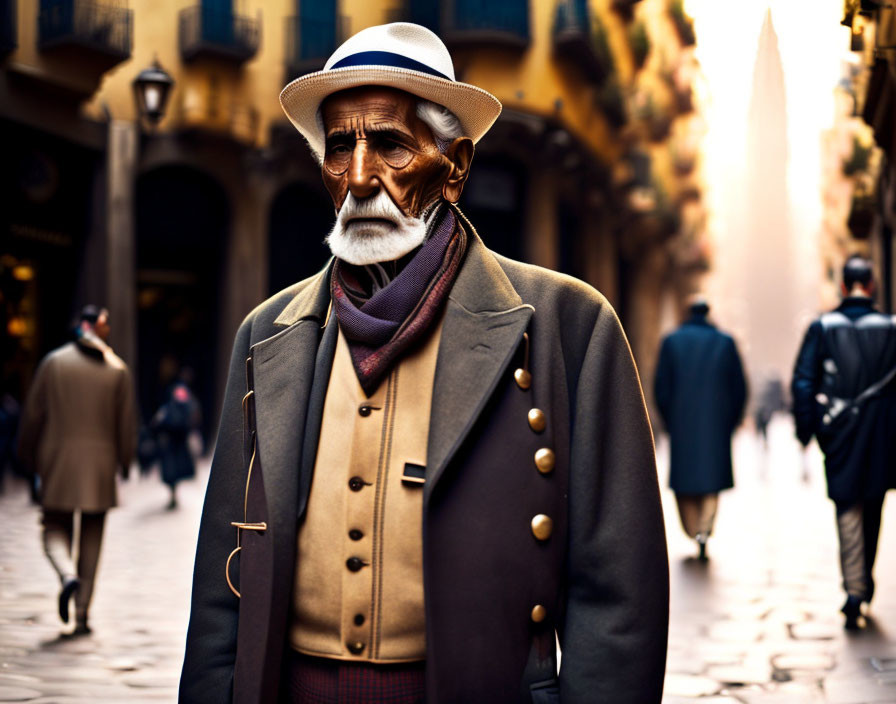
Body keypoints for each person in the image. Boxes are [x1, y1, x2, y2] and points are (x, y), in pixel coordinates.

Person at [180, 23, 668, 703]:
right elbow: (218, 602)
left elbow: (620, 599)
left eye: (389, 145)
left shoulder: (571, 328)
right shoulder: (267, 333)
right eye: (338, 148)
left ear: (457, 165)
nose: (357, 178)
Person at [17, 305, 137, 635]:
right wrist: (126, 462)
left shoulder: (53, 363)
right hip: (99, 468)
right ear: (93, 326)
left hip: (57, 462)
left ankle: (66, 573)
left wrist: (26, 457)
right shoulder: (118, 370)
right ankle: (82, 612)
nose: (109, 328)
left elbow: (32, 417)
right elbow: (126, 426)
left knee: (53, 525)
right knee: (92, 537)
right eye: (105, 322)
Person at [791, 255, 896, 630]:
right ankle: (861, 583)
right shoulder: (891, 327)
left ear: (842, 285)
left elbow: (803, 381)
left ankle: (854, 587)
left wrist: (809, 430)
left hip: (841, 435)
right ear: (870, 285)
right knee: (873, 509)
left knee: (847, 507)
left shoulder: (822, 327)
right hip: (883, 436)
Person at [654, 297, 747, 561]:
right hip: (716, 423)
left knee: (685, 483)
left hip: (682, 423)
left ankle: (693, 530)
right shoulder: (726, 342)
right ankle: (704, 529)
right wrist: (731, 419)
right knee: (711, 481)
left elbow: (661, 387)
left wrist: (670, 419)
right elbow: (739, 387)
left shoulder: (671, 342)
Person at [151, 374, 200, 510]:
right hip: (178, 438)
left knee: (171, 467)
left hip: (171, 438)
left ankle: (173, 493)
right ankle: (173, 493)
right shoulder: (182, 391)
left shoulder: (174, 393)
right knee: (175, 467)